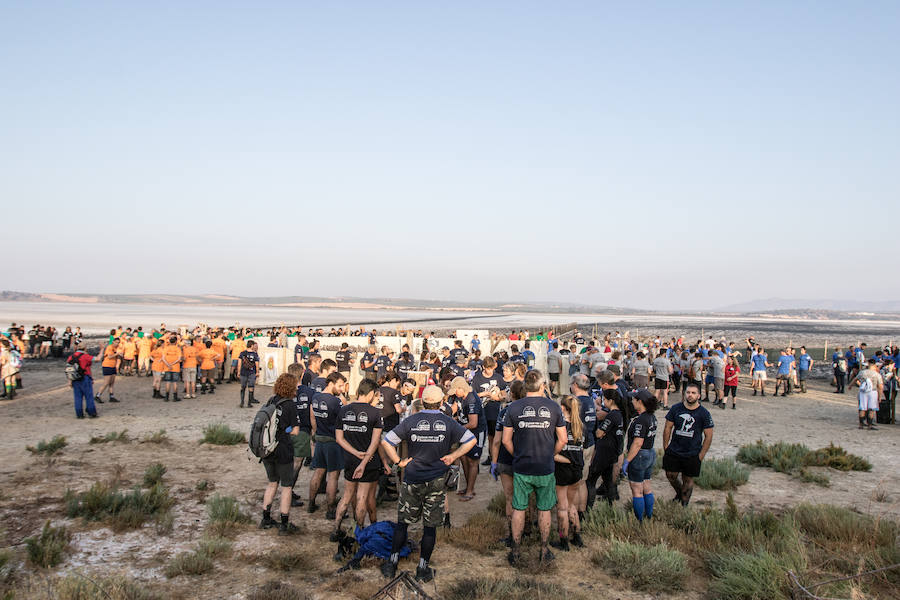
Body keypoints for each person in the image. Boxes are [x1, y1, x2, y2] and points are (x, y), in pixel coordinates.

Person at [380, 385, 476, 582]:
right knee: (430, 527)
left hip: (412, 477)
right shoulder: (447, 421)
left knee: (403, 523)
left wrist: (399, 462)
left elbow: (387, 441)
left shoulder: (411, 420)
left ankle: (392, 562)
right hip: (436, 479)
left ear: (422, 402)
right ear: (441, 403)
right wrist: (453, 456)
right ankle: (422, 567)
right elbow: (471, 440)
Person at [502, 370, 567, 566]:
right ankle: (544, 549)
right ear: (542, 385)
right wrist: (551, 454)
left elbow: (506, 440)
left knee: (519, 508)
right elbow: (563, 439)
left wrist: (517, 454)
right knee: (545, 509)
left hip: (522, 466)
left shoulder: (513, 407)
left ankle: (515, 550)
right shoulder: (554, 407)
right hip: (545, 466)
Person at [332, 378, 388, 540]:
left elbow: (339, 439)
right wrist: (363, 461)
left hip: (349, 459)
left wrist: (354, 453)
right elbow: (375, 442)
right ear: (371, 394)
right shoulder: (374, 413)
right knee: (362, 497)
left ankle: (336, 529)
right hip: (368, 461)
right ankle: (360, 531)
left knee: (347, 495)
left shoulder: (344, 410)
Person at [258, 373, 301, 536]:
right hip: (283, 450)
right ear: (291, 387)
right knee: (287, 487)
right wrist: (286, 430)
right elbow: (295, 431)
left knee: (272, 483)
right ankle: (284, 523)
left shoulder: (271, 401)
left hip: (267, 449)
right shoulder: (290, 405)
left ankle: (266, 518)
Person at [662, 382, 714, 506]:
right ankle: (679, 492)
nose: (690, 395)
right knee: (671, 475)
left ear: (699, 396)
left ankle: (684, 504)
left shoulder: (704, 413)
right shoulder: (676, 408)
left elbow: (709, 436)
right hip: (674, 450)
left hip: (692, 452)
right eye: (688, 392)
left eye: (693, 393)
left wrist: (701, 455)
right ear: (684, 394)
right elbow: (667, 428)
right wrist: (666, 446)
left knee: (688, 479)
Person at [308, 372, 348, 518]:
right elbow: (344, 419)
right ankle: (331, 510)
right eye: (340, 385)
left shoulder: (316, 397)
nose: (342, 389)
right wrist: (344, 403)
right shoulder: (335, 401)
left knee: (318, 472)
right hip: (333, 441)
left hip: (320, 439)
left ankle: (311, 504)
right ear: (331, 383)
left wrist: (315, 433)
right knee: (333, 476)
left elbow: (312, 416)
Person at [550, 395, 585, 551]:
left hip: (562, 469)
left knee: (562, 507)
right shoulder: (580, 426)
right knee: (571, 505)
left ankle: (564, 541)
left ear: (563, 408)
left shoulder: (560, 425)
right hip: (577, 469)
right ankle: (577, 536)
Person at [586, 371, 624, 507]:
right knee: (608, 479)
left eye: (605, 400)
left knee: (591, 479)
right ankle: (611, 504)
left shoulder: (612, 415)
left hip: (605, 450)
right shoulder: (618, 414)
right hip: (612, 450)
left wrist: (596, 429)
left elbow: (599, 433)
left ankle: (587, 507)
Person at [622, 390, 658, 521]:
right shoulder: (651, 416)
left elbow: (637, 442)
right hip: (650, 453)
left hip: (640, 455)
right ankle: (648, 515)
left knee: (636, 489)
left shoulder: (641, 420)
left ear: (640, 402)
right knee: (646, 486)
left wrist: (627, 460)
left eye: (634, 400)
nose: (632, 401)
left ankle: (639, 520)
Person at [449, 377, 484, 501]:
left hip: (476, 432)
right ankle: (469, 486)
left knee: (472, 461)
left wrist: (458, 428)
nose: (454, 393)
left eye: (455, 390)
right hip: (465, 431)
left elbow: (473, 423)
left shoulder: (472, 399)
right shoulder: (460, 397)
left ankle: (470, 490)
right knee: (463, 457)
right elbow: (454, 409)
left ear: (461, 388)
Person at [66, 347, 98, 418]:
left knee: (78, 397)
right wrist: (102, 349)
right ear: (85, 349)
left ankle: (79, 414)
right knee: (89, 396)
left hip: (75, 378)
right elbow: (97, 359)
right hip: (85, 377)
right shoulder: (85, 356)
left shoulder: (71, 357)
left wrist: (70, 381)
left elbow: (69, 369)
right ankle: (91, 412)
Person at [854, 359, 883, 430]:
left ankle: (861, 424)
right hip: (873, 391)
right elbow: (880, 386)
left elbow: (856, 379)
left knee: (862, 408)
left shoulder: (862, 372)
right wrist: (880, 396)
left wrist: (852, 385)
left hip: (863, 391)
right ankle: (870, 425)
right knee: (871, 409)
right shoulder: (877, 374)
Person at [95, 338, 121, 404]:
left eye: (118, 342)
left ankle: (111, 396)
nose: (117, 344)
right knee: (106, 382)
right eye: (116, 342)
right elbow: (109, 356)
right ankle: (98, 395)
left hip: (113, 366)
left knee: (112, 382)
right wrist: (117, 354)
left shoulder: (116, 348)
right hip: (107, 366)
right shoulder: (110, 347)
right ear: (113, 342)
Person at [160, 335, 183, 402]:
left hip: (167, 367)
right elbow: (179, 358)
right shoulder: (178, 349)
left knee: (168, 382)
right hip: (175, 367)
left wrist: (168, 364)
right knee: (175, 382)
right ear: (176, 342)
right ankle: (175, 397)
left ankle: (167, 397)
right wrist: (172, 364)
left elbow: (163, 358)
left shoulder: (166, 348)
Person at [238, 340, 261, 408]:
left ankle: (242, 402)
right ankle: (249, 403)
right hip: (252, 372)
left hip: (243, 372)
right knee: (251, 387)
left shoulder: (242, 353)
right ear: (251, 346)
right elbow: (257, 364)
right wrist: (257, 372)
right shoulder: (255, 354)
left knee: (243, 387)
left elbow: (239, 363)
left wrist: (238, 372)